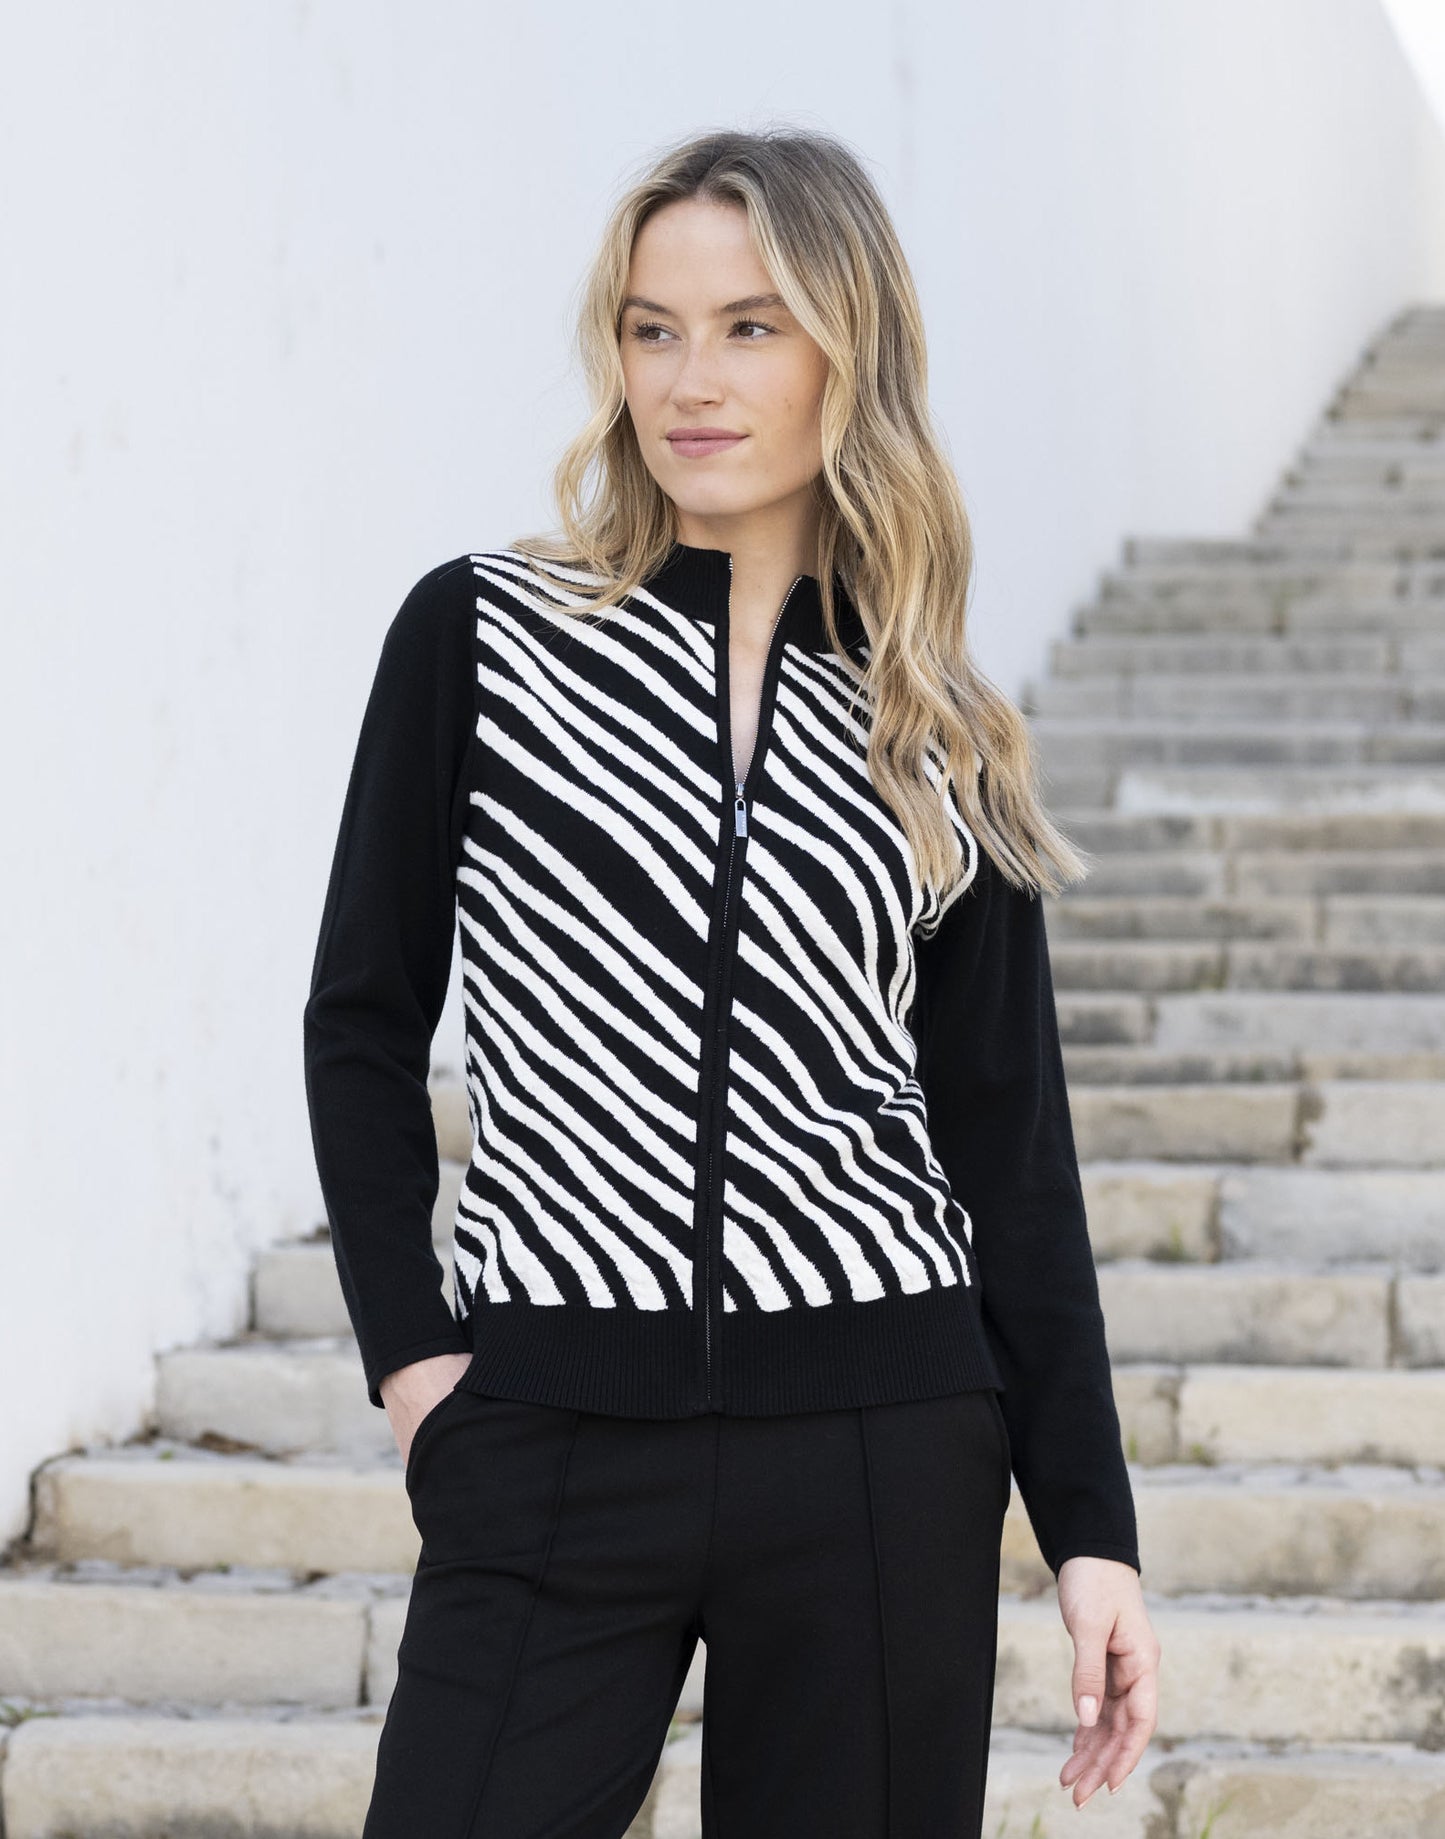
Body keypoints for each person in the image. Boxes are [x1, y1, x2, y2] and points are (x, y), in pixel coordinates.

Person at [303, 124, 1160, 1839]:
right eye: (652, 328)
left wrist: (1090, 1530)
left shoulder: (937, 722)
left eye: (749, 327)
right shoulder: (483, 635)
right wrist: (417, 1368)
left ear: (850, 350)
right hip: (549, 1427)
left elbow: (1008, 1152)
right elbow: (362, 1020)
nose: (689, 380)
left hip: (878, 1443)